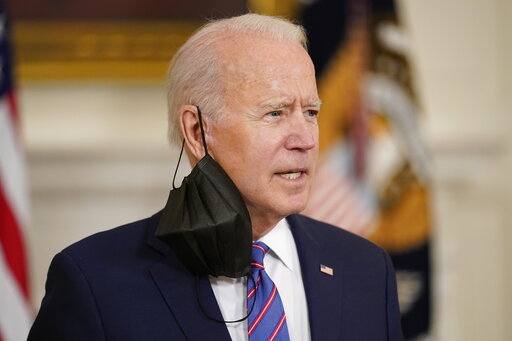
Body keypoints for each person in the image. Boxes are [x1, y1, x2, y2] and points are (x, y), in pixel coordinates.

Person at [28, 13, 403, 341]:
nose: (305, 140)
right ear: (196, 131)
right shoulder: (95, 283)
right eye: (275, 113)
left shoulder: (367, 271)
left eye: (310, 112)